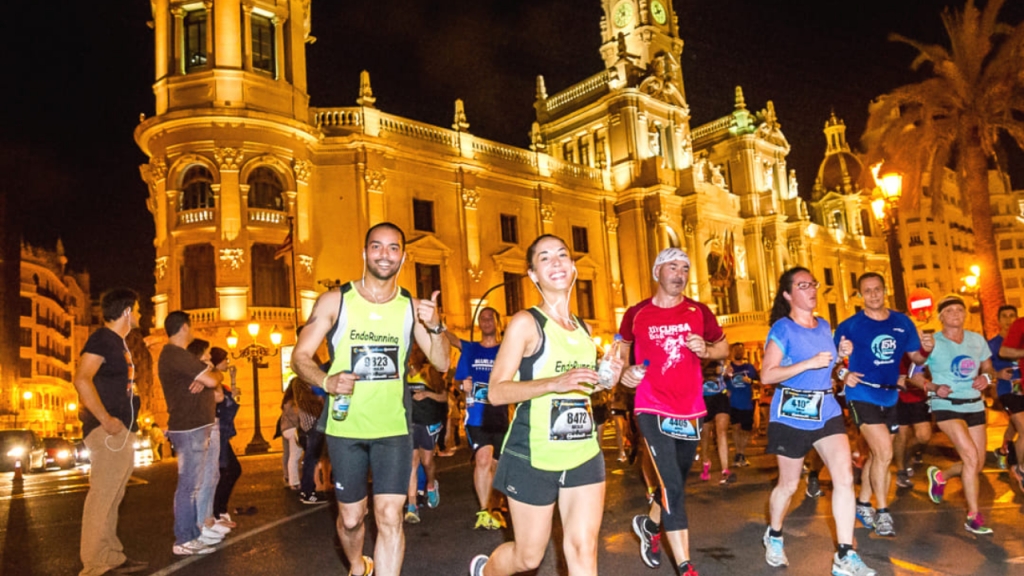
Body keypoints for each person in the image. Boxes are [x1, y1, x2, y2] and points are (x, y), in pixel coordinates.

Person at [291, 222, 450, 576]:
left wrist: (437, 325)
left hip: (393, 429)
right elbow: (299, 357)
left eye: (393, 248)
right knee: (351, 519)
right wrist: (327, 380)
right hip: (346, 429)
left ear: (403, 257)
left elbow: (442, 362)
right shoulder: (335, 301)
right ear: (364, 253)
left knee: (391, 516)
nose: (384, 254)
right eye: (377, 246)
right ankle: (357, 564)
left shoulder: (412, 308)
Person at [469, 234, 621, 576]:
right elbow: (496, 392)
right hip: (533, 453)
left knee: (583, 549)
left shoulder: (585, 329)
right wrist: (554, 383)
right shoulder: (526, 323)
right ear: (533, 274)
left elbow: (582, 387)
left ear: (573, 266)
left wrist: (611, 378)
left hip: (583, 452)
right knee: (528, 558)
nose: (556, 262)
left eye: (562, 255)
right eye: (545, 257)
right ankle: (486, 571)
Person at [618, 247, 728, 575]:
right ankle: (685, 565)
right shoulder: (636, 313)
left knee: (675, 480)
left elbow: (722, 346)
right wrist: (624, 373)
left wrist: (706, 349)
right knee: (672, 486)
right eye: (672, 267)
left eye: (684, 268)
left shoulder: (699, 311)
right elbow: (620, 353)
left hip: (690, 409)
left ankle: (651, 525)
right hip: (651, 405)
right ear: (657, 272)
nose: (679, 275)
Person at [760, 267, 875, 576]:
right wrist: (807, 363)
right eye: (803, 285)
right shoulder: (782, 329)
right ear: (788, 294)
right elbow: (767, 375)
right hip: (791, 412)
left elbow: (829, 368)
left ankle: (845, 555)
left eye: (813, 284)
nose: (811, 289)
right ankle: (774, 534)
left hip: (825, 409)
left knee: (844, 478)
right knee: (788, 485)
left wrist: (841, 362)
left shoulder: (824, 325)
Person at [832, 272, 932, 538]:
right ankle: (883, 512)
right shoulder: (850, 326)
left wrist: (927, 349)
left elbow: (916, 359)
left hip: (890, 396)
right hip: (861, 394)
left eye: (877, 289)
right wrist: (844, 373)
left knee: (879, 456)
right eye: (867, 291)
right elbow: (831, 362)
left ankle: (863, 503)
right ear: (860, 295)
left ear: (885, 290)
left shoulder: (902, 322)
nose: (873, 294)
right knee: (885, 452)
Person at [73, 288, 148, 576]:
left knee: (114, 496)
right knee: (103, 496)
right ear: (127, 311)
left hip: (121, 429)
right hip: (108, 431)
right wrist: (105, 419)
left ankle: (111, 556)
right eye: (137, 309)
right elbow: (82, 379)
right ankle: (95, 564)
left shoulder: (117, 343)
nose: (140, 314)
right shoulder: (102, 339)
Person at [914, 295, 995, 535]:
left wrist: (986, 377)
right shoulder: (933, 342)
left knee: (976, 464)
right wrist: (933, 387)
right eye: (950, 310)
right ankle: (973, 516)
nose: (956, 314)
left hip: (974, 404)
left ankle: (941, 475)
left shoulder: (976, 340)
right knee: (970, 456)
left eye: (960, 309)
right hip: (946, 404)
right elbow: (913, 374)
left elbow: (989, 367)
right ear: (941, 317)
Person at [159, 311, 225, 556]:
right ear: (185, 327)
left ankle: (192, 535)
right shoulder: (175, 354)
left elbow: (211, 379)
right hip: (189, 429)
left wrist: (208, 374)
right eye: (192, 326)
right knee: (189, 486)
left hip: (195, 428)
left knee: (194, 484)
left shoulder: (179, 356)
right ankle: (184, 539)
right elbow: (213, 380)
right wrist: (210, 374)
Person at [447, 307, 509, 530]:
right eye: (482, 318)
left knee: (496, 464)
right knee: (483, 458)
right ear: (478, 323)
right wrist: (461, 385)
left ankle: (495, 505)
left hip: (501, 415)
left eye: (490, 317)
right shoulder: (470, 349)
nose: (486, 321)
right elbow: (456, 380)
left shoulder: (506, 350)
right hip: (476, 416)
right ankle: (484, 511)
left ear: (498, 322)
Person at [185, 339, 230, 544]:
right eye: (206, 354)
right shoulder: (193, 375)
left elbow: (218, 393)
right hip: (201, 426)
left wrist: (213, 376)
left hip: (212, 423)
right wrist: (211, 376)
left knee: (213, 474)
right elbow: (218, 396)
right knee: (203, 477)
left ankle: (208, 519)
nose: (210, 358)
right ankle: (200, 523)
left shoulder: (207, 375)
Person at [404, 344, 447, 523]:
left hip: (429, 422)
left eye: (415, 352)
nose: (412, 355)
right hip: (411, 422)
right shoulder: (404, 372)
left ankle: (431, 484)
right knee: (412, 464)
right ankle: (412, 506)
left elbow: (444, 397)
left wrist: (427, 394)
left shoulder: (430, 372)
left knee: (427, 462)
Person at [210, 347, 244, 524]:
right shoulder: (212, 380)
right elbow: (220, 400)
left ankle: (219, 510)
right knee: (225, 471)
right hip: (218, 431)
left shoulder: (218, 381)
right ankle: (217, 511)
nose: (228, 363)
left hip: (222, 431)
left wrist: (232, 383)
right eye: (225, 359)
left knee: (229, 470)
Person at [995, 305, 1024, 490]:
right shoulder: (993, 343)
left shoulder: (1020, 336)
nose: (1008, 319)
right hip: (1007, 391)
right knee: (1022, 427)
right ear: (998, 320)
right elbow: (984, 368)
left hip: (1022, 389)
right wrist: (996, 374)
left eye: (1012, 315)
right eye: (1004, 316)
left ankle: (1003, 450)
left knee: (1014, 427)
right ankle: (1020, 468)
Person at [893, 356, 932, 489]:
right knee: (901, 435)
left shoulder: (922, 349)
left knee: (924, 436)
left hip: (918, 395)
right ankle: (901, 471)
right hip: (898, 395)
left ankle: (907, 455)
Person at [698, 359, 734, 484]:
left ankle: (725, 470)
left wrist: (728, 373)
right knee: (705, 435)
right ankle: (705, 461)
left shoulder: (720, 356)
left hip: (720, 397)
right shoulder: (697, 355)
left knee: (721, 431)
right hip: (703, 398)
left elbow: (728, 374)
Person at [295, 375, 328, 505]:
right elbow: (307, 399)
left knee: (312, 458)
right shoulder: (301, 382)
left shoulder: (300, 382)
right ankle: (308, 491)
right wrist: (320, 399)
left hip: (311, 423)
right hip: (313, 422)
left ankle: (308, 490)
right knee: (311, 458)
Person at [725, 342, 758, 468]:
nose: (739, 352)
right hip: (733, 402)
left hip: (747, 403)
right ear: (732, 352)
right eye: (736, 350)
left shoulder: (749, 367)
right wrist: (725, 391)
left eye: (741, 350)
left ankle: (741, 453)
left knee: (745, 430)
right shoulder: (728, 368)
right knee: (735, 428)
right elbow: (720, 382)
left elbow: (760, 381)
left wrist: (751, 381)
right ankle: (738, 454)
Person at [280, 380, 302, 490]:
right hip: (293, 429)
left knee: (287, 454)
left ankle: (287, 477)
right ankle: (295, 482)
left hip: (285, 429)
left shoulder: (286, 401)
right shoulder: (294, 403)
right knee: (295, 456)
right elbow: (298, 417)